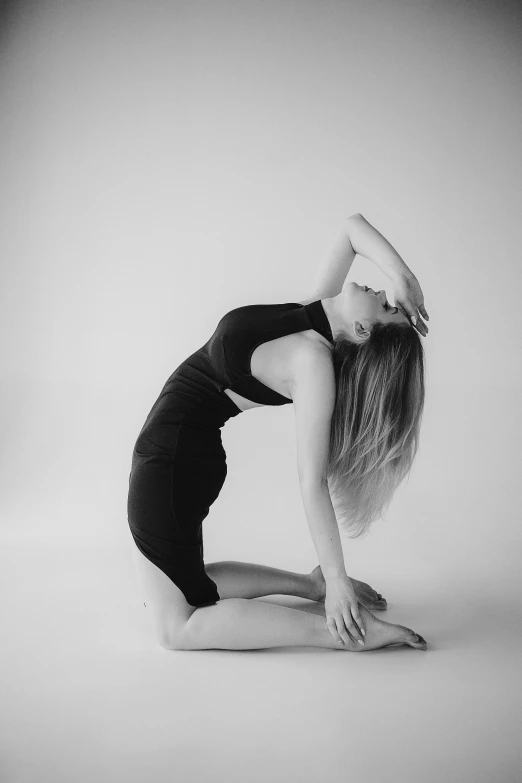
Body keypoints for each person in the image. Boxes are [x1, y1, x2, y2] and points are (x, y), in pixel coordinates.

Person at [127, 212, 429, 653]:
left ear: (363, 331)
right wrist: (405, 279)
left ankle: (340, 632)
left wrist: (341, 580)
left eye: (386, 308)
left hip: (170, 458)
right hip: (177, 451)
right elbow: (351, 230)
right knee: (190, 585)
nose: (385, 293)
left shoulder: (311, 362)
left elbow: (313, 480)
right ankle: (311, 586)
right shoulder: (315, 315)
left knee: (175, 627)